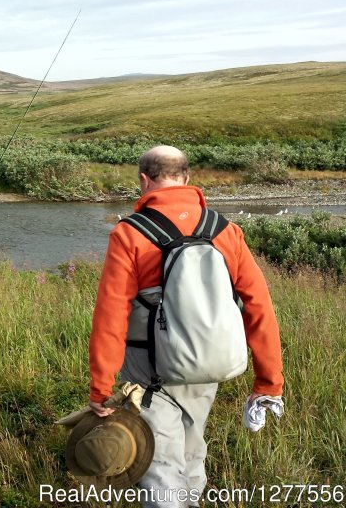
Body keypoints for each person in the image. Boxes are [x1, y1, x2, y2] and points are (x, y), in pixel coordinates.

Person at [87, 145, 283, 507]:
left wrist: (101, 386)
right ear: (187, 179)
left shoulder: (129, 234)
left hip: (148, 372)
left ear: (143, 180)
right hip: (207, 364)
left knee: (159, 468)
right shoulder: (225, 230)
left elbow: (111, 315)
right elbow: (259, 307)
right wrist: (268, 381)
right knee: (192, 455)